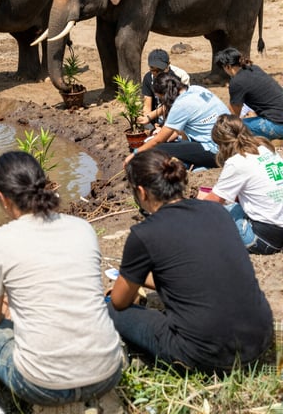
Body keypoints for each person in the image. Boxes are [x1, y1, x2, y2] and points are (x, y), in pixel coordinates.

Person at [0, 151, 122, 408]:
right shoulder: (83, 229)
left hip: (42, 386)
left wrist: (6, 310)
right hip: (107, 373)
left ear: (3, 198)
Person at [109, 150, 273, 372]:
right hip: (260, 338)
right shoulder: (216, 211)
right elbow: (196, 274)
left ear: (141, 192)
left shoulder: (144, 233)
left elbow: (120, 302)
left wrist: (128, 283)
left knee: (107, 307)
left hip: (205, 355)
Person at [198, 114, 283, 255]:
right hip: (278, 227)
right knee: (232, 207)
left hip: (263, 239)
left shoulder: (237, 162)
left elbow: (212, 203)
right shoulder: (264, 148)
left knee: (209, 217)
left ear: (222, 143)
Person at [130, 72, 229, 169]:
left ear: (164, 95)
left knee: (156, 148)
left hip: (218, 153)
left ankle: (183, 165)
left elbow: (158, 141)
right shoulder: (197, 89)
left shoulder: (180, 105)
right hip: (232, 143)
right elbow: (179, 132)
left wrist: (135, 153)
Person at [214, 47, 283, 140]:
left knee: (229, 128)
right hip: (278, 117)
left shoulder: (236, 82)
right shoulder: (254, 68)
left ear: (228, 67)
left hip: (277, 124)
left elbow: (233, 115)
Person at [137, 49, 190, 127]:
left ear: (168, 65)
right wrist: (146, 119)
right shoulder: (148, 77)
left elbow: (177, 104)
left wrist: (150, 116)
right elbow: (147, 105)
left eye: (159, 70)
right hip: (156, 118)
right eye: (152, 69)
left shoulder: (180, 76)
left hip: (175, 117)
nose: (155, 73)